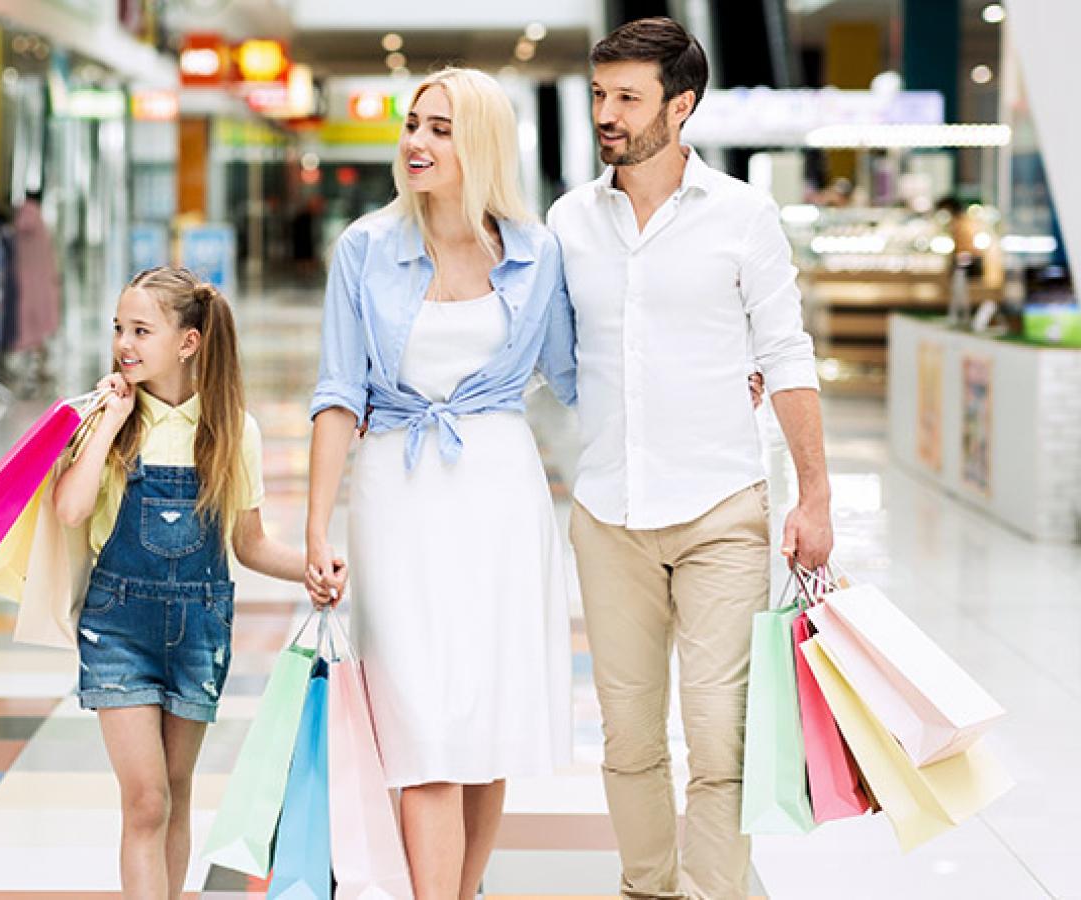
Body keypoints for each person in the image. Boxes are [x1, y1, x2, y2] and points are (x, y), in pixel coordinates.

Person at [546, 18, 834, 900]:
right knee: (628, 739)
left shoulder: (744, 215)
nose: (608, 114)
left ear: (682, 105)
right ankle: (647, 887)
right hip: (607, 515)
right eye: (600, 95)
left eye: (627, 98)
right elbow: (544, 350)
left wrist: (814, 498)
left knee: (721, 740)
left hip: (720, 513)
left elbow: (786, 353)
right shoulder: (569, 221)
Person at [304, 67, 579, 896]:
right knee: (421, 724)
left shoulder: (535, 255)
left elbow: (583, 377)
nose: (416, 142)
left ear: (484, 143)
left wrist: (719, 380)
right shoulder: (365, 249)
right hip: (396, 493)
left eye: (440, 128)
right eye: (413, 125)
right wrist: (315, 529)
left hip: (500, 496)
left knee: (487, 724)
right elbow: (337, 392)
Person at [52, 267, 309, 898]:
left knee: (176, 792)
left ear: (188, 342)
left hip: (200, 632)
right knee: (145, 800)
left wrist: (313, 566)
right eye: (119, 329)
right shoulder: (108, 422)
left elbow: (248, 545)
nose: (124, 343)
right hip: (117, 627)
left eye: (141, 330)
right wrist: (109, 423)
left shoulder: (231, 430)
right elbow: (70, 509)